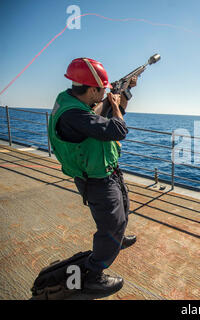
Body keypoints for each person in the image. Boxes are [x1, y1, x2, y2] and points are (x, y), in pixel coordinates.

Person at [48, 57, 137, 294]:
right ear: (91, 89)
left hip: (106, 169)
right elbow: (119, 129)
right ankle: (93, 274)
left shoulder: (73, 101)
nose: (104, 93)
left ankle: (116, 239)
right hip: (95, 178)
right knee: (111, 222)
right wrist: (115, 104)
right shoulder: (74, 115)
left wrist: (124, 93)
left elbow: (106, 120)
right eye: (102, 90)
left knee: (123, 209)